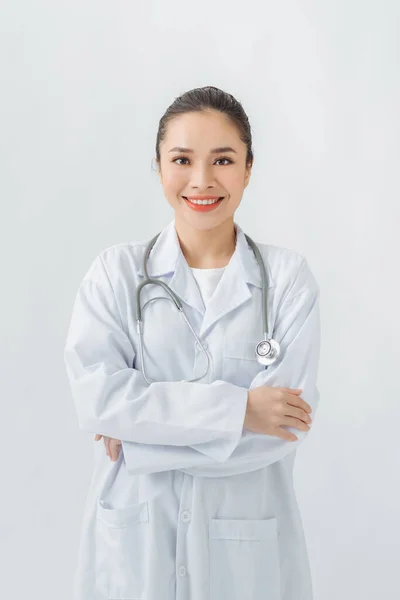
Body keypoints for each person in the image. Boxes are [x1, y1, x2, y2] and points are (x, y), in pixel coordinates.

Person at [64, 85, 321, 600]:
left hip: (246, 556)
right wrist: (240, 409)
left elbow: (275, 434)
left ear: (248, 168)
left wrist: (134, 436)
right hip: (135, 550)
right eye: (182, 159)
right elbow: (97, 399)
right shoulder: (114, 276)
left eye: (223, 160)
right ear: (159, 166)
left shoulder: (288, 280)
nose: (202, 180)